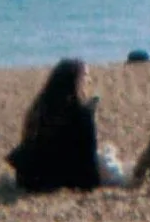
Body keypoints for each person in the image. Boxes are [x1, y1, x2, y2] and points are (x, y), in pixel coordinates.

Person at [6, 59, 100, 192]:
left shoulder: (39, 108)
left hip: (29, 177)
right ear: (74, 80)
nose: (88, 80)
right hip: (61, 177)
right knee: (108, 163)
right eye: (85, 76)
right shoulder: (81, 113)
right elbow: (87, 156)